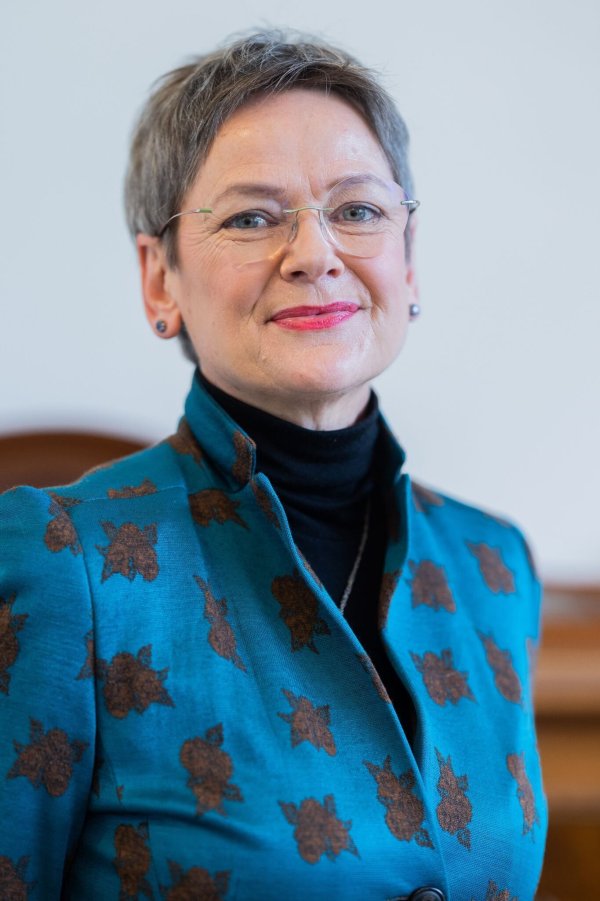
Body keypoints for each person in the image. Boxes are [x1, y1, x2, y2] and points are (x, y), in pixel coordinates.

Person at [0, 31, 546, 900]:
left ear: (409, 260)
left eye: (359, 211)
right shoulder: (62, 560)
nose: (315, 253)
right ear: (160, 280)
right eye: (252, 217)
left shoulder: (494, 568)